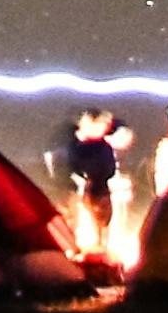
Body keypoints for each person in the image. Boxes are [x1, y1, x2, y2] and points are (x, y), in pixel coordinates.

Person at [55, 107, 137, 276]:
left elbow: (109, 167)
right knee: (89, 216)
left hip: (100, 188)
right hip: (86, 189)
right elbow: (73, 166)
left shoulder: (101, 146)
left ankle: (101, 249)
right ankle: (92, 250)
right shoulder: (80, 147)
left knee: (103, 217)